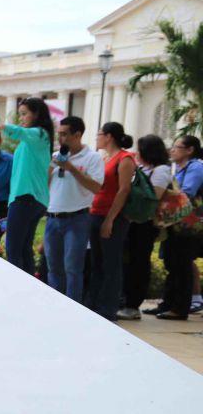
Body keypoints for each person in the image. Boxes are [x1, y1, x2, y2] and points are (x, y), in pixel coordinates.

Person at [0, 97, 54, 274]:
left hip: (26, 197)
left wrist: (2, 126)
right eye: (20, 114)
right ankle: (28, 286)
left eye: (24, 114)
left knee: (13, 247)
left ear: (36, 114)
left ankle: (16, 286)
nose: (21, 118)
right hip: (32, 199)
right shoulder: (36, 140)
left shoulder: (39, 135)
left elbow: (19, 132)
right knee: (23, 248)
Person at [43, 116, 104, 303]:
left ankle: (73, 307)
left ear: (77, 135)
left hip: (77, 219)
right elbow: (44, 185)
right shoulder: (56, 156)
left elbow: (96, 187)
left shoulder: (93, 157)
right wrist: (51, 167)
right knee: (53, 267)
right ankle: (55, 305)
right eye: (59, 134)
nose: (60, 138)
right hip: (52, 217)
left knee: (73, 268)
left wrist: (71, 168)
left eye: (64, 134)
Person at [118, 135, 173, 320]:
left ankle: (133, 304)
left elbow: (153, 196)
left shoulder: (161, 170)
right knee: (127, 261)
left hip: (146, 224)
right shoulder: (143, 168)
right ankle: (123, 299)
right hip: (132, 222)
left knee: (139, 263)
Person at [87, 122, 136, 320]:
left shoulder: (125, 159)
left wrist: (109, 220)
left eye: (99, 134)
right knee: (96, 262)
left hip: (112, 218)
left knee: (111, 264)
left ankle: (108, 308)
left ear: (109, 137)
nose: (97, 137)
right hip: (95, 213)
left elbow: (123, 190)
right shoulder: (104, 158)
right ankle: (94, 304)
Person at [155, 135, 203, 319]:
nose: (172, 150)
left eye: (177, 147)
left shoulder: (196, 167)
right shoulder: (177, 168)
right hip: (175, 222)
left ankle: (180, 308)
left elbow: (187, 192)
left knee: (182, 264)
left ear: (190, 150)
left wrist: (161, 192)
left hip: (188, 224)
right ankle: (167, 304)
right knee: (172, 263)